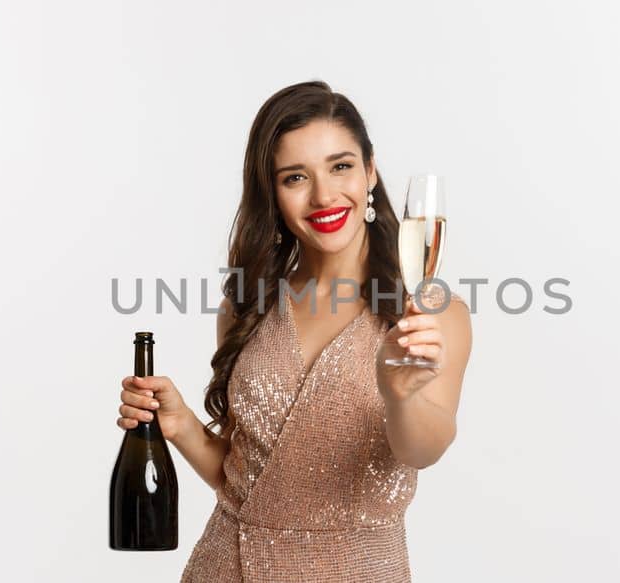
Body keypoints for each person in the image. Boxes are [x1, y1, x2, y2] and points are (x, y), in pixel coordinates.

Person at [114, 80, 472, 582]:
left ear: (371, 171)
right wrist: (181, 426)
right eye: (295, 177)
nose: (324, 195)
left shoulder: (432, 314)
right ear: (273, 194)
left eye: (341, 166)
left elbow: (424, 450)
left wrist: (401, 398)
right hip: (228, 568)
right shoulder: (247, 308)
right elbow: (244, 481)